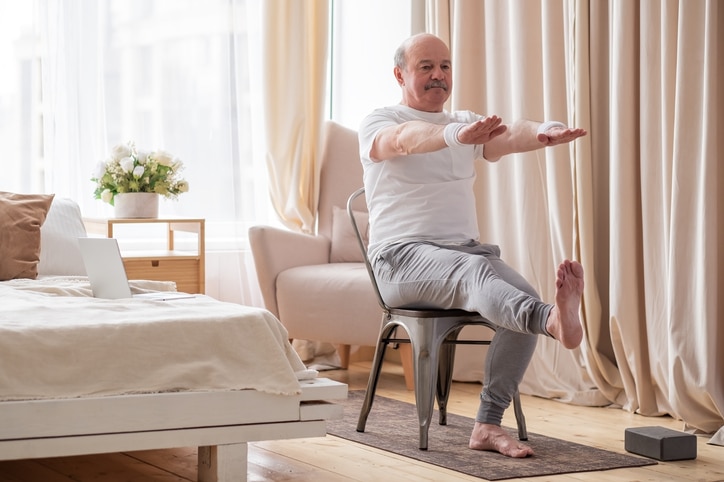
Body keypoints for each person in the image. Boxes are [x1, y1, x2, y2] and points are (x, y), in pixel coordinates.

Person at [358, 33, 587, 458]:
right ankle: (550, 319)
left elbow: (507, 133)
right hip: (399, 260)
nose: (438, 75)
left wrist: (542, 131)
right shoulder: (380, 120)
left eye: (444, 66)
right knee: (482, 279)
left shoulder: (463, 120)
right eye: (425, 66)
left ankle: (486, 425)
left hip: (463, 253)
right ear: (400, 74)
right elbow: (406, 139)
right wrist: (457, 135)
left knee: (518, 298)